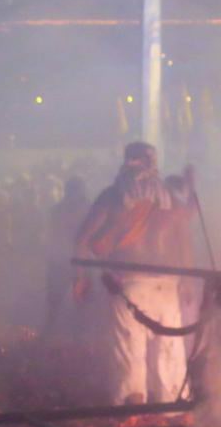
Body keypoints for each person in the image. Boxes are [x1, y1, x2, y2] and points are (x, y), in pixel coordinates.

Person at [74, 143, 193, 405]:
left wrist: (81, 277)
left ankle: (134, 409)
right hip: (165, 287)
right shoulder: (170, 198)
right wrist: (186, 282)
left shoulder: (112, 197)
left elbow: (82, 240)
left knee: (130, 352)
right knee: (169, 351)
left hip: (133, 286)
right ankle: (170, 408)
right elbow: (185, 240)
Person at [43, 176, 91, 334]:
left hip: (81, 263)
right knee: (54, 302)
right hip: (61, 261)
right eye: (73, 190)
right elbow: (52, 234)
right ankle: (49, 334)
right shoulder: (58, 210)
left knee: (83, 303)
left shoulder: (88, 209)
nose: (75, 194)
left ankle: (80, 336)